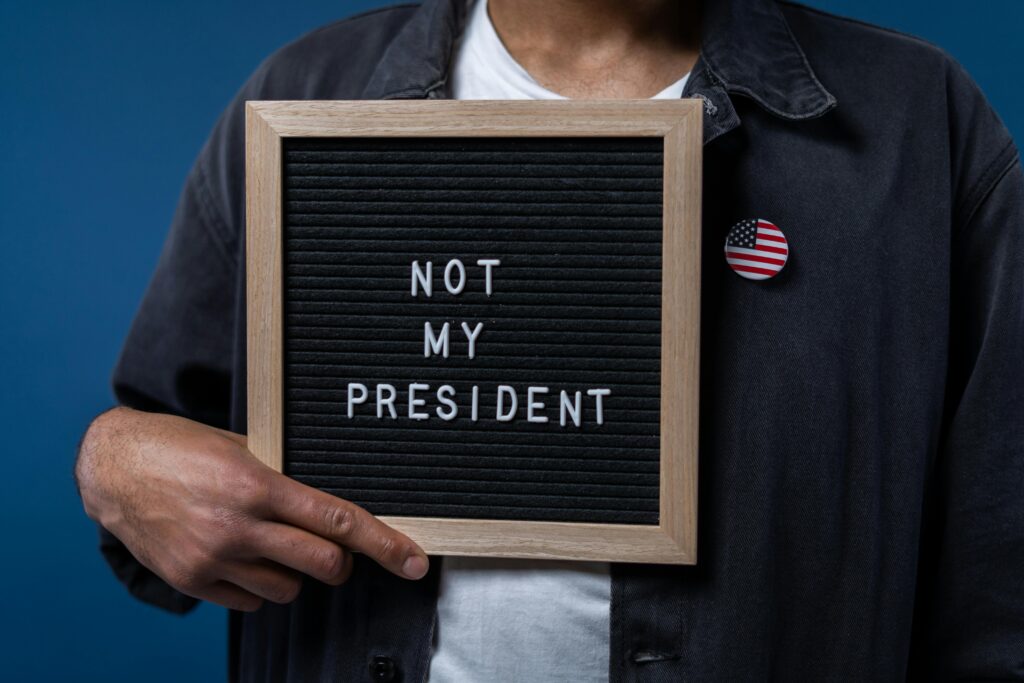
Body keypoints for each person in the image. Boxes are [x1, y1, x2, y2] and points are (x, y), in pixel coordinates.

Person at [74, 0, 1024, 680]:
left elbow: (998, 599)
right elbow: (162, 451)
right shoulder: (301, 97)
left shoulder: (919, 129)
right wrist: (110, 462)